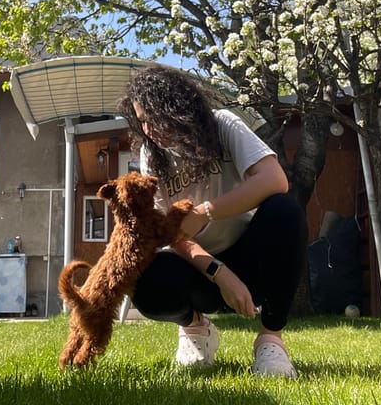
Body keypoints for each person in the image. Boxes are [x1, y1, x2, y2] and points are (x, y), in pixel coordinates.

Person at [117, 65, 307, 378]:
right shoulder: (153, 155)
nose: (148, 130)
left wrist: (206, 211)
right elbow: (169, 232)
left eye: (151, 117)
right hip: (200, 270)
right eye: (142, 122)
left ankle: (270, 339)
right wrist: (219, 273)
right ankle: (196, 330)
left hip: (251, 260)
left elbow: (274, 180)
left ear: (174, 104)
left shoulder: (222, 125)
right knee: (144, 276)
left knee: (285, 212)